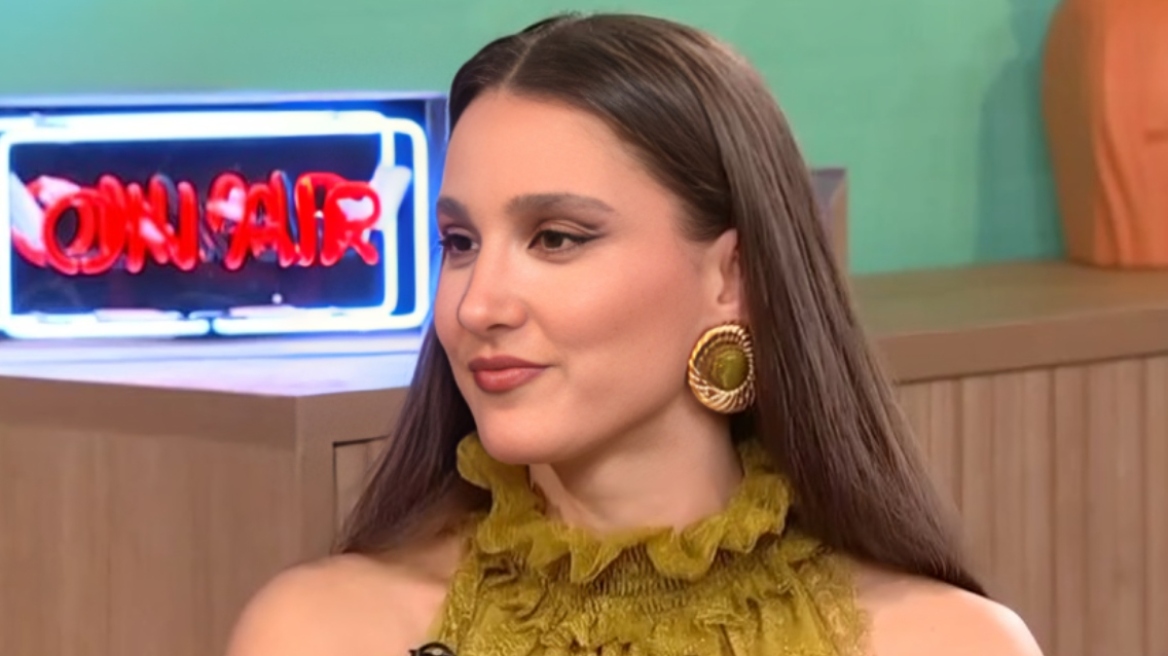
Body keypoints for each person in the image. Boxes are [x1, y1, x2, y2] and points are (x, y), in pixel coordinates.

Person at [226, 13, 1043, 656]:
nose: (478, 305)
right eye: (460, 243)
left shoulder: (947, 643)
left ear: (730, 280)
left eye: (556, 238)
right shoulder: (322, 633)